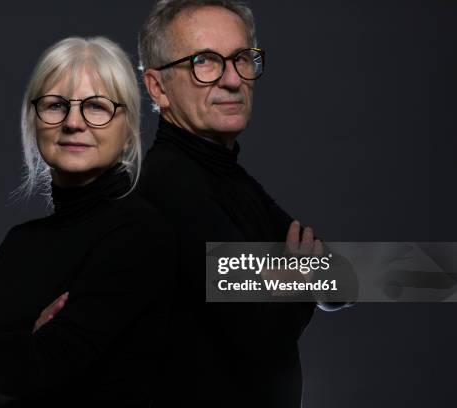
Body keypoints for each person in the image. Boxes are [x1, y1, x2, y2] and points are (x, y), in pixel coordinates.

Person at [0, 36, 176, 407]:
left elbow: (47, 369)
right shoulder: (18, 243)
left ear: (128, 130)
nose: (73, 122)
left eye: (97, 106)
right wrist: (22, 350)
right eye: (55, 105)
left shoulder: (141, 233)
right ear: (34, 121)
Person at [137, 0, 353, 406]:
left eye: (240, 58)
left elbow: (344, 279)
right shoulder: (167, 191)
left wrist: (293, 282)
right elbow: (259, 332)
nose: (232, 80)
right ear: (157, 87)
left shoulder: (225, 178)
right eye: (205, 61)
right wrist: (293, 284)